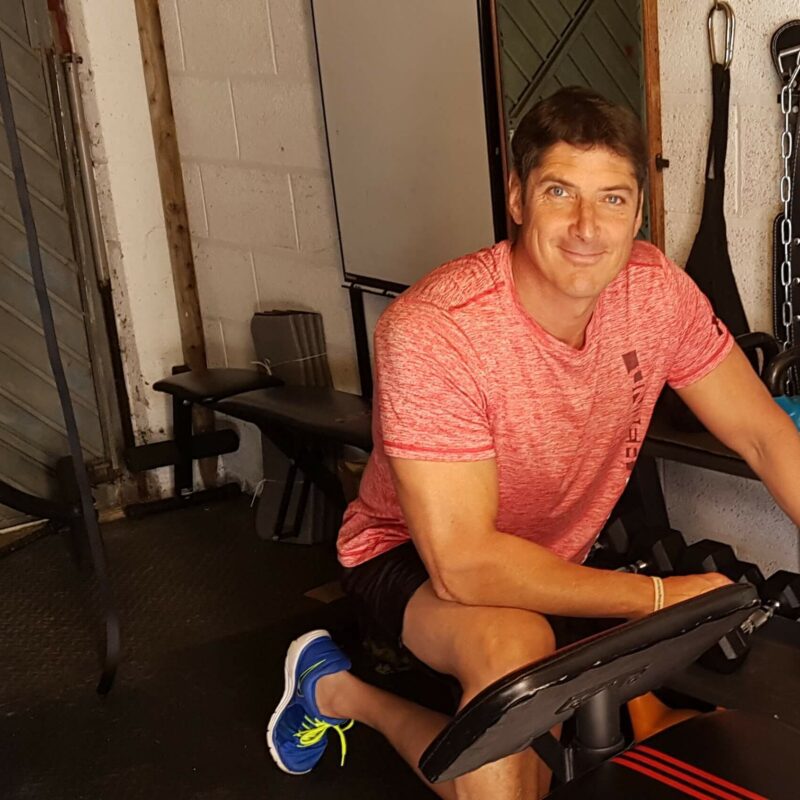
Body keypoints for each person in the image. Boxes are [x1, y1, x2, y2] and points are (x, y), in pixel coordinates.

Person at [266, 86, 800, 799]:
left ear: (638, 210)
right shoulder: (436, 331)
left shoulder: (654, 291)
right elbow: (465, 566)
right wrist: (655, 595)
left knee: (641, 734)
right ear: (518, 199)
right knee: (518, 664)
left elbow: (765, 434)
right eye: (560, 192)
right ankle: (335, 691)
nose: (587, 226)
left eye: (613, 198)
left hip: (555, 554)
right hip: (413, 553)